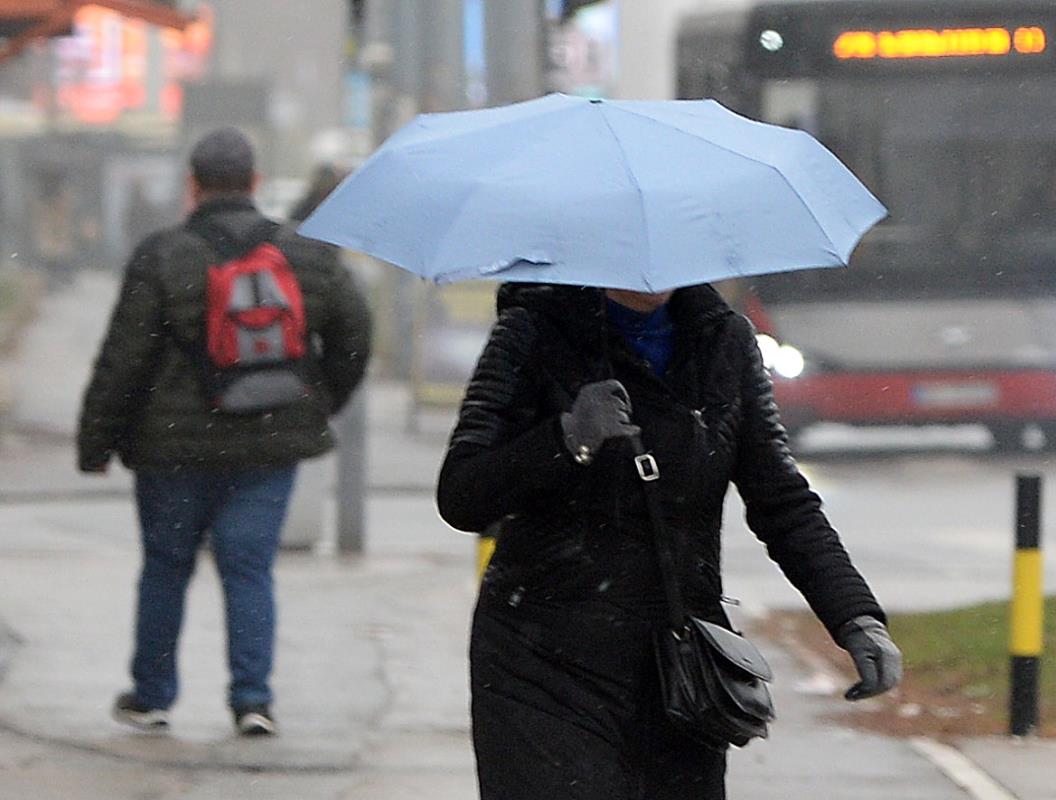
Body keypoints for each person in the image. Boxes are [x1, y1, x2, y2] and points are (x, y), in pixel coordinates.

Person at [437, 282, 901, 799]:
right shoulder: (532, 332)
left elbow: (782, 501)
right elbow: (463, 495)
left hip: (678, 668)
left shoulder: (724, 340)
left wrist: (855, 616)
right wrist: (569, 436)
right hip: (544, 662)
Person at [77, 128, 372, 736]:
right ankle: (253, 700)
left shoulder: (163, 255)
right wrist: (318, 400)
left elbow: (124, 356)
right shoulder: (304, 254)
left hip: (171, 450)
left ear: (193, 185)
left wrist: (97, 442)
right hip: (269, 442)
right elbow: (355, 331)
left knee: (166, 566)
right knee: (249, 568)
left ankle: (153, 695)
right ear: (255, 184)